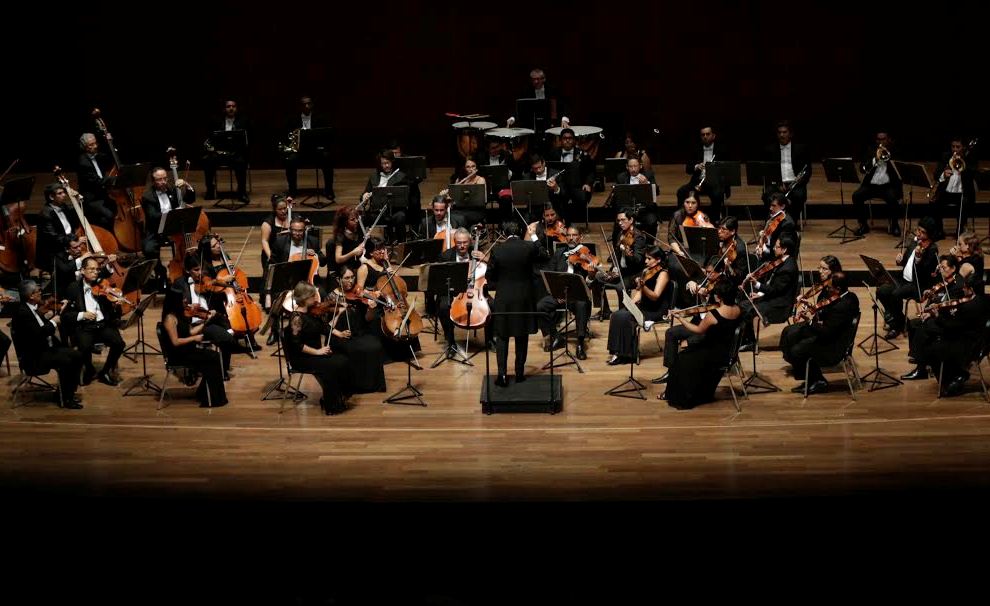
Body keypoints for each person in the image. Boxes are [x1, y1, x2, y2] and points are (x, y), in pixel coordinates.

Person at [663, 280, 743, 408]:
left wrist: (680, 319)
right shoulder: (739, 309)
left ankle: (681, 397)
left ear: (720, 296)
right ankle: (702, 392)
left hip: (712, 353)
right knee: (687, 356)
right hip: (727, 351)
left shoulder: (713, 315)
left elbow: (698, 330)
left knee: (681, 359)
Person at [486, 220, 547, 385]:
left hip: (504, 297)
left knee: (502, 336)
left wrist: (501, 281)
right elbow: (544, 254)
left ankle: (502, 375)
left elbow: (489, 276)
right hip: (524, 297)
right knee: (522, 335)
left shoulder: (497, 250)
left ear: (504, 233)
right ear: (520, 232)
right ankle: (519, 373)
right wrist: (533, 235)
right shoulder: (528, 247)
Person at [780, 272, 859, 395]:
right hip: (833, 334)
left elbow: (826, 332)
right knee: (795, 335)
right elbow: (829, 316)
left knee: (797, 351)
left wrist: (810, 321)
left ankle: (818, 381)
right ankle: (810, 378)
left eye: (829, 287)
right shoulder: (850, 296)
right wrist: (813, 308)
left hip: (834, 346)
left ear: (838, 289)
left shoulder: (842, 307)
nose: (827, 289)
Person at [11, 280, 83, 408]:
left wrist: (53, 318)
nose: (41, 293)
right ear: (31, 296)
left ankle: (66, 392)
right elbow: (39, 334)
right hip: (34, 358)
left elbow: (40, 328)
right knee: (67, 360)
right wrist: (53, 322)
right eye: (38, 292)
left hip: (42, 350)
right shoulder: (23, 313)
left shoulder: (31, 309)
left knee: (76, 355)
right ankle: (66, 399)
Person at [900, 254, 970, 381]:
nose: (941, 270)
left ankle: (921, 369)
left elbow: (949, 307)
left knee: (923, 326)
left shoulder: (958, 285)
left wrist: (931, 313)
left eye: (944, 268)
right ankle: (920, 358)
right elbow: (939, 299)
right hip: (941, 317)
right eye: (940, 267)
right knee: (913, 324)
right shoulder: (945, 281)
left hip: (950, 323)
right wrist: (930, 297)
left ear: (953, 268)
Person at [283, 282, 350, 414]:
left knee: (343, 359)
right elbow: (297, 346)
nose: (316, 299)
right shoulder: (296, 319)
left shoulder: (311, 312)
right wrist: (318, 352)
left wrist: (339, 333)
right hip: (303, 358)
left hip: (315, 355)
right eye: (313, 296)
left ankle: (337, 396)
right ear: (304, 298)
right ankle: (331, 404)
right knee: (332, 365)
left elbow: (324, 327)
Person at [60, 256, 125, 386]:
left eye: (97, 269)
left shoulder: (102, 285)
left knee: (119, 344)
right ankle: (89, 369)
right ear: (82, 271)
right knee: (84, 347)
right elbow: (65, 315)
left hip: (103, 325)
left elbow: (114, 314)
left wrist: (116, 305)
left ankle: (105, 372)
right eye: (92, 269)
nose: (95, 272)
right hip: (85, 326)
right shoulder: (73, 287)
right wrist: (82, 314)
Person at [170, 253, 236, 376]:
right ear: (187, 270)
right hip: (189, 324)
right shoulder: (179, 284)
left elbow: (216, 298)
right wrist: (186, 307)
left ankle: (223, 369)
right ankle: (195, 368)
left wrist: (213, 310)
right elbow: (174, 308)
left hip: (207, 321)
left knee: (227, 339)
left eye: (201, 269)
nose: (200, 273)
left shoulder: (206, 281)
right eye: (196, 270)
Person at [160, 289, 228, 407]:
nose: (185, 300)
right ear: (175, 301)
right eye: (182, 299)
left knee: (214, 356)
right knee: (211, 358)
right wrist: (195, 339)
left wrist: (206, 322)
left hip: (187, 350)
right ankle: (211, 398)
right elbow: (175, 342)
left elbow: (190, 331)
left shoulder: (179, 314)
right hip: (178, 355)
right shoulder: (169, 319)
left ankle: (207, 394)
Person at [877, 216, 940, 340]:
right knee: (882, 290)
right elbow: (905, 261)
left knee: (895, 294)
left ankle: (897, 325)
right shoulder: (914, 243)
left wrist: (918, 258)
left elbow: (924, 272)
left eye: (922, 232)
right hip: (903, 280)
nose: (918, 234)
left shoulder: (932, 250)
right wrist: (900, 261)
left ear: (930, 234)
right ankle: (899, 321)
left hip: (918, 284)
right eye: (918, 230)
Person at [536, 225, 594, 360]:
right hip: (559, 295)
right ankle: (555, 336)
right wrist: (557, 293)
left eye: (574, 235)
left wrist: (591, 274)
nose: (571, 238)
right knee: (540, 306)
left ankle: (580, 343)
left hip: (577, 296)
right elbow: (550, 274)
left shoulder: (586, 255)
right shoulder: (559, 253)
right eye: (568, 235)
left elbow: (590, 283)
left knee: (582, 305)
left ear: (580, 237)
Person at [605, 247, 671, 365]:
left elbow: (655, 296)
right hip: (644, 306)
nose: (645, 261)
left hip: (656, 309)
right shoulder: (647, 271)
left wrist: (643, 286)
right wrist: (631, 304)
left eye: (649, 259)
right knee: (617, 315)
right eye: (646, 258)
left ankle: (628, 355)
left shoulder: (663, 274)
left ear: (658, 260)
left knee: (625, 318)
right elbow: (640, 293)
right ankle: (617, 352)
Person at [434, 228, 493, 357]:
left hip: (476, 291)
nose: (462, 246)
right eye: (459, 242)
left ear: (470, 241)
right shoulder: (446, 256)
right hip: (454, 292)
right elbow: (440, 279)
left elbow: (492, 272)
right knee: (443, 306)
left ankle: (489, 339)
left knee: (493, 305)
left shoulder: (476, 253)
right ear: (454, 241)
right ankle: (451, 343)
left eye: (465, 242)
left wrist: (485, 259)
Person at [328, 268, 387, 393]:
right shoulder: (332, 297)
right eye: (347, 278)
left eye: (352, 277)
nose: (351, 281)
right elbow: (327, 325)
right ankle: (354, 386)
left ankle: (372, 385)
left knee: (375, 345)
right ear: (339, 280)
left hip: (359, 332)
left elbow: (367, 318)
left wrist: (371, 309)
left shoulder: (358, 294)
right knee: (357, 349)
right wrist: (339, 313)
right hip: (341, 335)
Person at [738, 234, 799, 351]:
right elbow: (775, 288)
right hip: (773, 297)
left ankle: (750, 342)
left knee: (748, 309)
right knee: (742, 304)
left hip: (780, 305)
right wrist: (760, 294)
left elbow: (775, 290)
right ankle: (744, 339)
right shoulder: (781, 261)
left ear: (784, 249)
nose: (774, 249)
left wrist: (756, 284)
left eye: (776, 247)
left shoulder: (788, 268)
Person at [140, 166, 196, 289]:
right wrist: (172, 213)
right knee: (148, 249)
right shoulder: (147, 196)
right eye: (159, 179)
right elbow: (153, 216)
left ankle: (187, 269)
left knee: (189, 243)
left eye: (165, 178)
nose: (163, 182)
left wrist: (187, 186)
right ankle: (161, 271)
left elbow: (191, 199)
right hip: (156, 229)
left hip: (174, 228)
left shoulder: (172, 189)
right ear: (153, 181)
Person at [283, 95, 334, 201]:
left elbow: (326, 136)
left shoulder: (320, 118)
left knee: (327, 158)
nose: (306, 106)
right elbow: (287, 137)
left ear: (312, 105)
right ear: (300, 107)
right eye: (304, 104)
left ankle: (329, 190)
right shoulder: (292, 119)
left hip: (316, 151)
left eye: (308, 103)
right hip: (300, 152)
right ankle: (292, 191)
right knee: (290, 160)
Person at [851, 131, 902, 237]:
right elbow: (862, 168)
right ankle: (863, 225)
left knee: (893, 199)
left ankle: (894, 225)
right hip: (871, 186)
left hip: (888, 186)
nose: (881, 141)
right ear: (876, 140)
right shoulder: (871, 150)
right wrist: (875, 159)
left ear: (888, 140)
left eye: (883, 139)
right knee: (856, 196)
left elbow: (900, 169)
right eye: (879, 139)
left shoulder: (895, 151)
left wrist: (888, 157)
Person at [762, 120, 812, 224]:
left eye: (784, 132)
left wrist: (797, 182)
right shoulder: (769, 150)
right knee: (767, 195)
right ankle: (774, 222)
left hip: (795, 184)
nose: (782, 135)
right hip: (778, 184)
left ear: (790, 134)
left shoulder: (801, 149)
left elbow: (807, 171)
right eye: (779, 132)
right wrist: (778, 184)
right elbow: (767, 172)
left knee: (799, 196)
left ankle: (791, 223)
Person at [930, 137, 979, 239]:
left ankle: (960, 230)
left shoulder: (969, 158)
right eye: (953, 146)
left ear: (963, 147)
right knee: (934, 202)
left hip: (963, 193)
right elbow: (936, 175)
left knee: (965, 204)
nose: (955, 149)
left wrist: (962, 167)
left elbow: (973, 173)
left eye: (958, 147)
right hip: (946, 192)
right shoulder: (946, 157)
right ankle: (939, 230)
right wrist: (943, 174)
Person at [202, 99, 249, 202]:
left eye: (233, 106)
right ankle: (210, 190)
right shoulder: (216, 121)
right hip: (219, 154)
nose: (231, 108)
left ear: (236, 108)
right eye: (228, 106)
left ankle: (242, 192)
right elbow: (210, 137)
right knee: (207, 161)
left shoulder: (243, 121)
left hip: (236, 153)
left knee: (241, 162)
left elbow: (248, 139)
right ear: (224, 109)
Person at [677, 124, 729, 218]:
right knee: (681, 192)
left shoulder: (722, 150)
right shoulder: (695, 149)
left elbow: (727, 169)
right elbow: (688, 169)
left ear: (713, 136)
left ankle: (715, 219)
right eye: (703, 134)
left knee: (717, 195)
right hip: (698, 181)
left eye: (708, 134)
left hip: (715, 183)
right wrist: (696, 166)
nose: (705, 136)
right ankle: (683, 218)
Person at [546, 128, 595, 225]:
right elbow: (549, 169)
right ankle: (558, 221)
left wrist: (587, 183)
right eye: (564, 138)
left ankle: (571, 221)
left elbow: (591, 172)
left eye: (570, 138)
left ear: (574, 140)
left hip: (577, 186)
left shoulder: (583, 154)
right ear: (560, 140)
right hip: (558, 185)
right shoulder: (553, 153)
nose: (567, 140)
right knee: (554, 195)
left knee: (581, 197)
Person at [360, 150, 409, 243]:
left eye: (388, 163)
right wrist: (364, 197)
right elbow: (365, 193)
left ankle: (401, 245)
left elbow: (405, 198)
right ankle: (363, 248)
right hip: (377, 212)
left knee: (401, 216)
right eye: (383, 163)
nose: (386, 165)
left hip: (394, 212)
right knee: (361, 219)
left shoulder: (401, 176)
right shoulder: (374, 176)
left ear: (392, 162)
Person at [36, 182, 82, 274]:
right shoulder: (45, 214)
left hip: (67, 243)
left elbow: (76, 217)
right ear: (51, 197)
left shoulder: (63, 206)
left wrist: (78, 200)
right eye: (60, 193)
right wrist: (73, 241)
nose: (64, 195)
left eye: (64, 192)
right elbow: (53, 238)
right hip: (55, 251)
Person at [612, 156, 659, 239]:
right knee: (618, 222)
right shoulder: (621, 177)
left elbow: (657, 192)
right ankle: (618, 243)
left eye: (635, 166)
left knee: (652, 221)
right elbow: (618, 197)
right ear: (627, 167)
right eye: (630, 166)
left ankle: (650, 242)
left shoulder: (649, 175)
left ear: (640, 166)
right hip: (627, 210)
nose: (633, 169)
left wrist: (647, 184)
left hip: (645, 209)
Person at [76, 133, 116, 231]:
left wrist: (110, 142)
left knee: (116, 209)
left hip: (102, 194)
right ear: (85, 147)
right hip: (92, 199)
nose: (95, 146)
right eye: (91, 145)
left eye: (95, 143)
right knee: (110, 215)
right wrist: (115, 179)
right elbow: (98, 182)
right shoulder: (83, 163)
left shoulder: (97, 155)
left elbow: (111, 157)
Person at [667, 190, 714, 257]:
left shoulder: (703, 216)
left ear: (698, 204)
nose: (690, 206)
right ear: (683, 203)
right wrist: (679, 252)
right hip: (680, 248)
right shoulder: (677, 215)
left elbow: (710, 237)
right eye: (687, 202)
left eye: (693, 203)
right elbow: (671, 238)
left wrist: (704, 225)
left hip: (698, 251)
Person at [754, 193, 798, 263]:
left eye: (774, 206)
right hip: (768, 251)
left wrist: (764, 248)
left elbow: (780, 247)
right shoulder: (772, 216)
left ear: (783, 206)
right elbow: (769, 236)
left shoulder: (788, 223)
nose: (770, 208)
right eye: (770, 205)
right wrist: (762, 237)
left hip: (777, 257)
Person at [445, 158, 487, 227]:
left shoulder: (480, 180)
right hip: (460, 209)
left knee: (461, 217)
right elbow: (454, 200)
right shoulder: (459, 179)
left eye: (473, 166)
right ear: (464, 168)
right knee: (448, 214)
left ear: (476, 167)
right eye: (468, 167)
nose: (471, 169)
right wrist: (449, 196)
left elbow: (480, 199)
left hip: (475, 210)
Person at [329, 205, 365, 275]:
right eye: (352, 219)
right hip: (345, 267)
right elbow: (338, 259)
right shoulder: (340, 236)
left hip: (357, 263)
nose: (356, 221)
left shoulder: (359, 230)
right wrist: (353, 252)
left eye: (357, 218)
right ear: (345, 222)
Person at [260, 194, 291, 272]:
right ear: (275, 210)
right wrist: (270, 257)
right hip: (273, 254)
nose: (283, 211)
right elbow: (264, 241)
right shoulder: (267, 223)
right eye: (280, 209)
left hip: (288, 253)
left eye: (284, 208)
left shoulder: (292, 218)